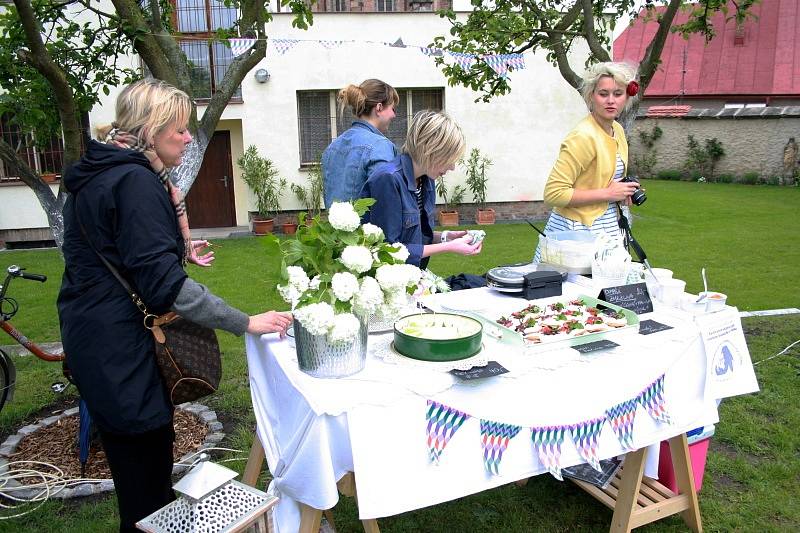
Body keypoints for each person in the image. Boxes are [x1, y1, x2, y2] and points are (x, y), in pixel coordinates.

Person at [56, 79, 293, 532]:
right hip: (121, 352)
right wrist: (245, 321)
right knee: (146, 488)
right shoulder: (135, 182)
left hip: (94, 340)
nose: (188, 138)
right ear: (150, 129)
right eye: (179, 130)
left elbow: (118, 250)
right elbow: (167, 289)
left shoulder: (99, 173)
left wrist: (175, 248)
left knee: (137, 479)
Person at [534, 62, 642, 262]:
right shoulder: (582, 136)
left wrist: (622, 192)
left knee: (608, 289)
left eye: (618, 94)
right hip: (576, 231)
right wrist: (609, 193)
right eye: (603, 93)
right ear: (592, 96)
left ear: (627, 96)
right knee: (576, 292)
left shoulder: (617, 130)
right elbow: (553, 194)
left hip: (608, 227)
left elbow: (604, 180)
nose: (611, 101)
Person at [362, 110, 482, 269]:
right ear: (431, 150)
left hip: (414, 277)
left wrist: (447, 237)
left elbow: (416, 237)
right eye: (449, 158)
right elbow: (387, 250)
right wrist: (449, 247)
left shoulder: (427, 180)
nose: (452, 167)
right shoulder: (388, 179)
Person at [322, 79, 400, 208]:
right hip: (370, 228)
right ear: (379, 108)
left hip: (334, 228)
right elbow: (386, 204)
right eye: (393, 109)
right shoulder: (380, 146)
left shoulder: (331, 149)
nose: (394, 115)